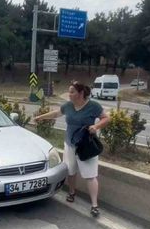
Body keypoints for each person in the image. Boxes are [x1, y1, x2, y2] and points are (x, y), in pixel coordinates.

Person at [34, 81, 110, 217]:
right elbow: (57, 113)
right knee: (70, 171)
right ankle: (71, 192)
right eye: (69, 91)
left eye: (72, 92)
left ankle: (94, 205)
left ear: (81, 93)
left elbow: (106, 118)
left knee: (90, 176)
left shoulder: (93, 106)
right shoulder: (69, 105)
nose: (69, 94)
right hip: (70, 145)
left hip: (86, 146)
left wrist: (96, 127)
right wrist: (40, 117)